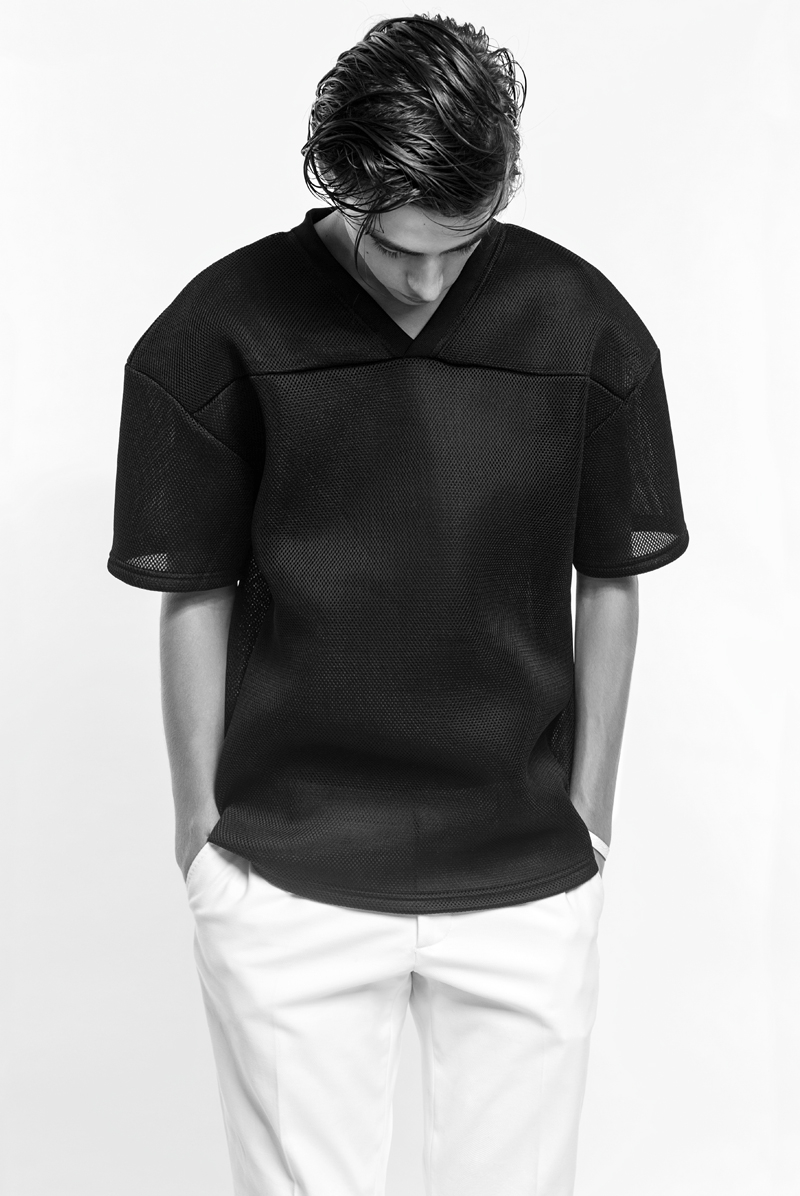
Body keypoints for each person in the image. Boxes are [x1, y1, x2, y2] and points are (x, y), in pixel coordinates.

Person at [107, 13, 689, 1196]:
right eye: (392, 247)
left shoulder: (584, 325)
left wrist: (589, 813)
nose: (424, 281)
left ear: (503, 189)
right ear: (338, 183)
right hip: (284, 865)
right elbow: (192, 589)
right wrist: (198, 828)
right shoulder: (219, 329)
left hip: (524, 867)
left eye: (458, 246)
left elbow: (610, 575)